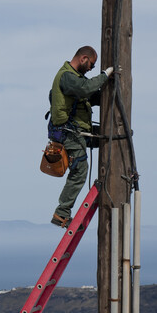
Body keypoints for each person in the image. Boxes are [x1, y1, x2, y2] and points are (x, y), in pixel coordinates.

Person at [49, 46, 113, 228]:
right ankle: (61, 213)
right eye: (91, 64)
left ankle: (63, 212)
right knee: (79, 171)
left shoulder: (75, 79)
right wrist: (104, 76)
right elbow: (85, 89)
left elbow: (90, 94)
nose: (92, 68)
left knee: (108, 138)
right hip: (69, 133)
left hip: (77, 131)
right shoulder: (67, 77)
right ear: (84, 58)